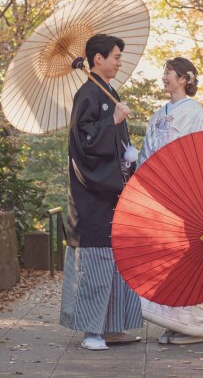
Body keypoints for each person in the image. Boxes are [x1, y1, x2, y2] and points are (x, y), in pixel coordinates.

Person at [59, 33, 143, 351]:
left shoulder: (108, 91)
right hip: (92, 197)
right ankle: (91, 331)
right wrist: (112, 121)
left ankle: (112, 326)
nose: (120, 62)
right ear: (99, 59)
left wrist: (130, 156)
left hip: (115, 193)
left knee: (117, 259)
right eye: (116, 56)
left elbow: (117, 144)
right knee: (96, 260)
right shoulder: (87, 94)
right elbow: (84, 145)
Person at [137, 57, 203, 345]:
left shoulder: (194, 111)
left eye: (168, 72)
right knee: (164, 257)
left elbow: (202, 151)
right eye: (164, 72)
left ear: (184, 78)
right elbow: (147, 153)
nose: (164, 77)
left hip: (185, 192)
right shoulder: (157, 115)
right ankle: (173, 322)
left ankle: (193, 325)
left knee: (187, 257)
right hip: (160, 192)